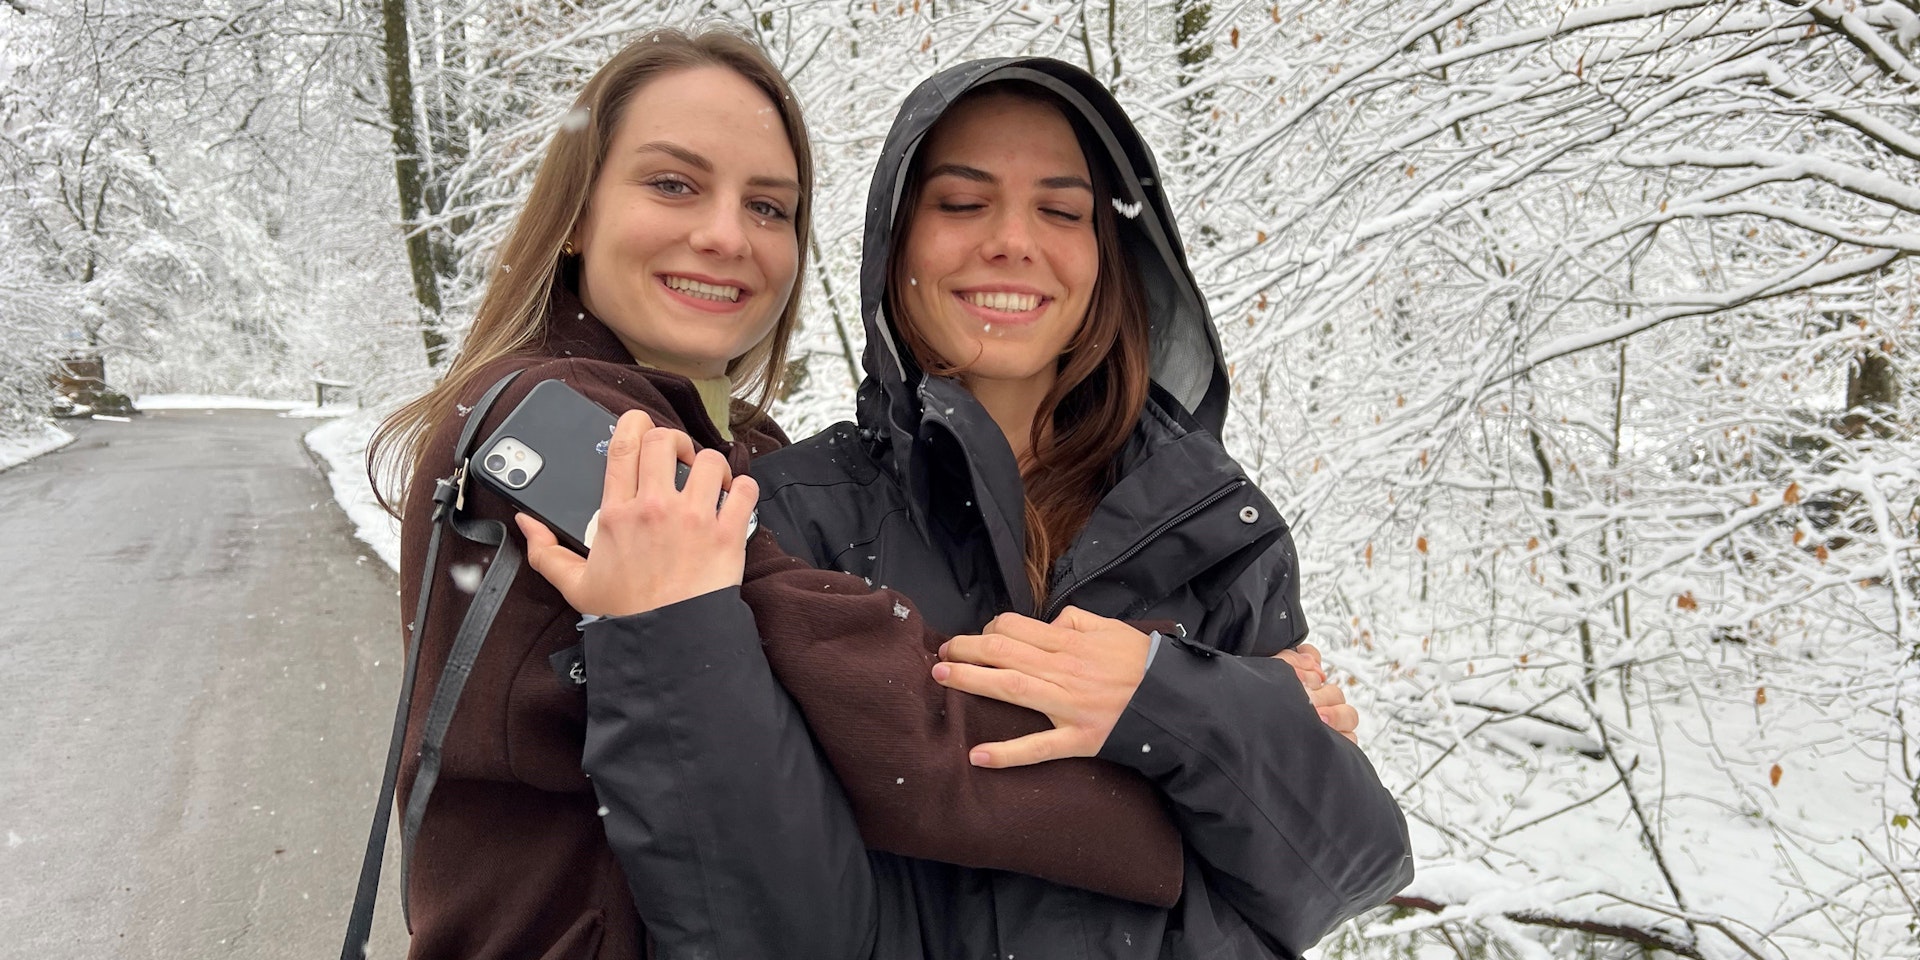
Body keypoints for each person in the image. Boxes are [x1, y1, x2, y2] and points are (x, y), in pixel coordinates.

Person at [534, 57, 1414, 959]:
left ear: (1110, 256)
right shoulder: (791, 519)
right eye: (962, 203)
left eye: (1062, 212)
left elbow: (1344, 872)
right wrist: (1230, 745)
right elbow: (770, 923)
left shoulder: (1212, 525)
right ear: (897, 246)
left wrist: (1166, 699)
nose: (1014, 241)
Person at [369, 32, 1190, 960]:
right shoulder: (563, 430)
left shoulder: (752, 448)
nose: (727, 235)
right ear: (577, 216)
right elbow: (884, 711)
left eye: (768, 206)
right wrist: (1192, 760)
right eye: (673, 184)